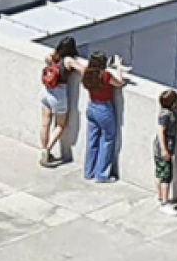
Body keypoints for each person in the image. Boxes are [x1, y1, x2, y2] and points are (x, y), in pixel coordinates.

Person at [82, 51, 127, 182]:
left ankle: (89, 171)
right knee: (107, 139)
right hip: (104, 108)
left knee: (92, 139)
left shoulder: (87, 73)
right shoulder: (105, 76)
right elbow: (119, 82)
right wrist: (119, 66)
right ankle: (101, 174)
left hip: (91, 106)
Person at [40, 36, 85, 167]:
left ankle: (43, 149)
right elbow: (82, 70)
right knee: (60, 125)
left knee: (45, 123)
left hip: (46, 91)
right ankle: (47, 150)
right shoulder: (68, 60)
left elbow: (47, 60)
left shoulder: (53, 56)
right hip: (58, 95)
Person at [154, 90, 177, 208]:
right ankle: (165, 203)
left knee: (159, 172)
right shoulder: (166, 115)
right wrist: (164, 149)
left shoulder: (164, 111)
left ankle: (159, 196)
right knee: (166, 176)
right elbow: (161, 131)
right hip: (164, 147)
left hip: (158, 148)